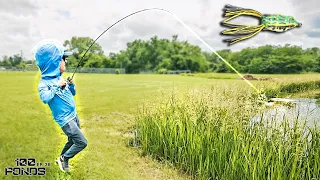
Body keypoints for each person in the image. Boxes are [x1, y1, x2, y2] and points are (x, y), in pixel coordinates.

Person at [34, 40, 88, 172]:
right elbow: (45, 98)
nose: (66, 62)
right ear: (54, 61)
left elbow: (72, 93)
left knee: (72, 141)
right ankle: (64, 158)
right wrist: (57, 87)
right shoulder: (44, 84)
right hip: (65, 120)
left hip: (73, 115)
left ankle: (61, 159)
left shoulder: (60, 78)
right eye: (63, 59)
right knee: (82, 142)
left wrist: (71, 85)